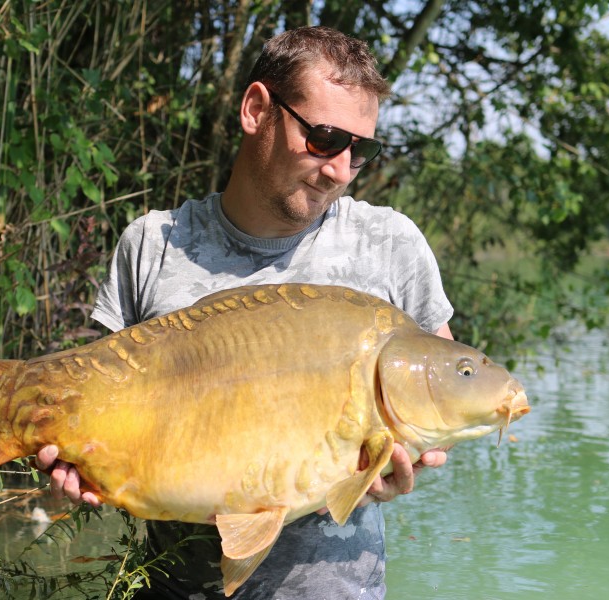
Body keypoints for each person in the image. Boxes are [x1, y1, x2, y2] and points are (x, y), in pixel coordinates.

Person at [36, 26, 453, 599]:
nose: (340, 168)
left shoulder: (389, 244)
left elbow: (439, 393)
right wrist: (66, 470)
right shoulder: (153, 244)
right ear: (257, 109)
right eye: (326, 138)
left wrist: (414, 459)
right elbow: (96, 399)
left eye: (362, 150)